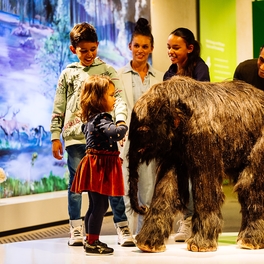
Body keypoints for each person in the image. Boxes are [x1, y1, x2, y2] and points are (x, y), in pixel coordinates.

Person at [50, 22, 134, 247]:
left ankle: (122, 227)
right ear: (73, 49)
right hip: (75, 139)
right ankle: (76, 229)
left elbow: (118, 100)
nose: (88, 54)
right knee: (75, 186)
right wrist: (55, 136)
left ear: (98, 45)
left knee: (110, 186)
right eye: (83, 50)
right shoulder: (68, 73)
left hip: (103, 140)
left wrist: (120, 121)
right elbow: (59, 106)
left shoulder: (107, 71)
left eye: (92, 49)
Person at [70, 75, 128, 255]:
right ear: (98, 98)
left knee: (95, 205)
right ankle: (93, 242)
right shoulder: (102, 118)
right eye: (111, 95)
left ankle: (90, 240)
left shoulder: (90, 119)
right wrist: (122, 123)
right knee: (100, 206)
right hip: (99, 167)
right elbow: (117, 133)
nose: (114, 99)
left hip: (96, 166)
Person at [163, 27, 210, 242]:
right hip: (175, 138)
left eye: (176, 47)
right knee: (179, 179)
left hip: (195, 135)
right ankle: (184, 218)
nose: (171, 51)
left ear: (190, 48)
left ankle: (192, 220)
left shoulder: (200, 69)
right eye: (169, 47)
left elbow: (201, 101)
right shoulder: (169, 73)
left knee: (195, 180)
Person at [118, 18, 164, 234]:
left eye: (145, 46)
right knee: (127, 189)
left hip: (149, 142)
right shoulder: (118, 76)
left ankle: (145, 234)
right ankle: (126, 235)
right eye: (137, 45)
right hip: (125, 140)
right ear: (130, 46)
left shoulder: (160, 78)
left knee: (147, 190)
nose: (140, 50)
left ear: (151, 49)